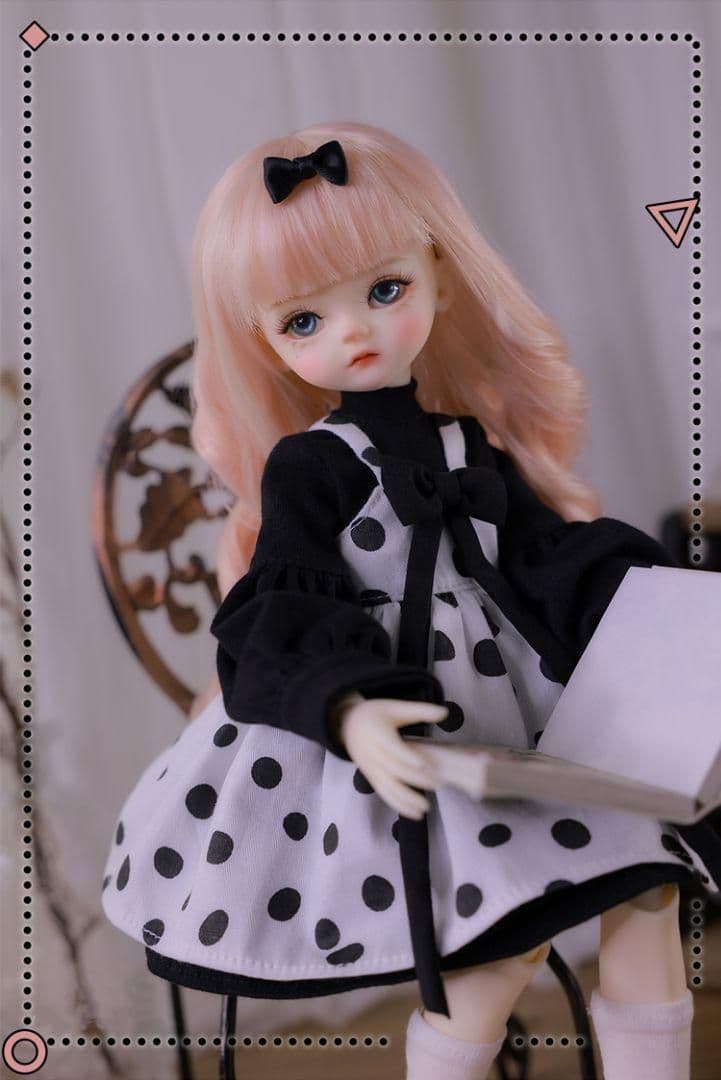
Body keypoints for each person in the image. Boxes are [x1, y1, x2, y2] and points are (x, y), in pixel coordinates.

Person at [102, 122, 715, 1079]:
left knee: (650, 889)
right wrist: (349, 706)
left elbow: (552, 563)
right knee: (500, 949)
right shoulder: (312, 466)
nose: (352, 331)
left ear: (438, 274)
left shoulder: (470, 445)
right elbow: (284, 602)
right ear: (263, 338)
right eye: (303, 321)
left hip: (520, 718)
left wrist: (677, 623)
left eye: (383, 291)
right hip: (403, 735)